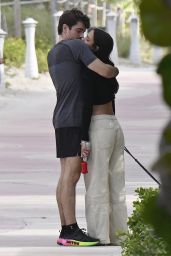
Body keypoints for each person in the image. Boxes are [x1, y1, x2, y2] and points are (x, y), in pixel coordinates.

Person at [47, 9, 119, 247]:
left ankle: (66, 229)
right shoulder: (75, 47)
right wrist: (115, 69)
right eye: (78, 31)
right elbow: (106, 71)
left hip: (62, 118)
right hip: (75, 119)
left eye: (83, 34)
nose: (81, 38)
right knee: (73, 173)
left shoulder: (54, 52)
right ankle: (70, 230)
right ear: (65, 28)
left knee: (66, 174)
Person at [82, 28, 128, 245]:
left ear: (96, 47)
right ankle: (119, 235)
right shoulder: (109, 70)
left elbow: (84, 108)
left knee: (96, 183)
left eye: (87, 38)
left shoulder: (89, 71)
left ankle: (99, 235)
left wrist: (83, 138)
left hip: (99, 127)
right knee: (116, 185)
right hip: (114, 126)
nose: (83, 40)